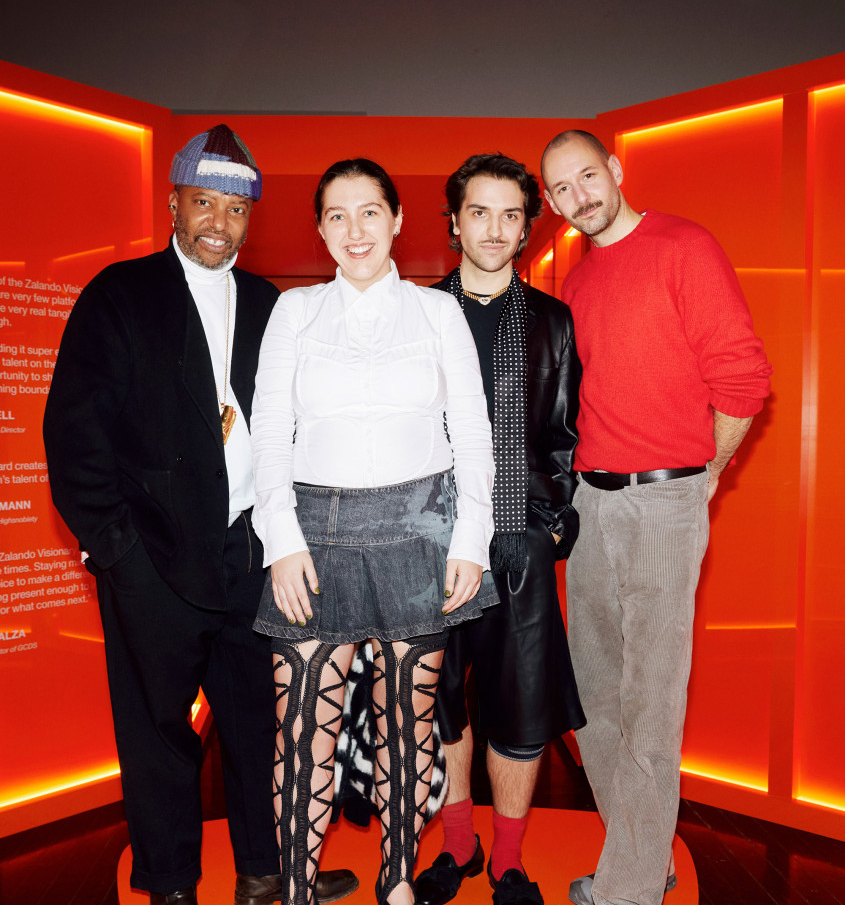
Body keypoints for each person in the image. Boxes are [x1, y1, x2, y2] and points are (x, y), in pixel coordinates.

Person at [43, 126, 357, 905]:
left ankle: (264, 875)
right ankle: (171, 885)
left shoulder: (268, 303)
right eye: (203, 203)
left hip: (249, 554)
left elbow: (298, 421)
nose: (218, 222)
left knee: (259, 727)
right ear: (175, 203)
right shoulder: (119, 294)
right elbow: (74, 434)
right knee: (157, 733)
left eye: (235, 209)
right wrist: (116, 550)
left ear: (252, 217)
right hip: (150, 559)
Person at [249, 157, 498, 905]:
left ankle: (396, 881)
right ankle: (296, 888)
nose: (353, 231)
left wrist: (470, 541)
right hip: (311, 535)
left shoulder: (436, 313)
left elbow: (473, 434)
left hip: (419, 530)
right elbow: (269, 431)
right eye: (336, 215)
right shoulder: (294, 313)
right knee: (303, 731)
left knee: (407, 723)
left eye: (368, 213)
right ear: (320, 228)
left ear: (394, 219)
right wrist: (280, 538)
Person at [540, 130, 773, 905]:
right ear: (551, 202)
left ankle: (631, 888)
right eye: (561, 189)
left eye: (586, 176)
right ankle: (643, 854)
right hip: (589, 507)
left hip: (662, 502)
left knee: (649, 703)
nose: (578, 196)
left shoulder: (683, 246)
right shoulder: (574, 283)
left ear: (613, 170)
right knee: (594, 699)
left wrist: (705, 475)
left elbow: (742, 380)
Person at [415, 153, 586, 905]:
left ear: (526, 227)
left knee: (518, 710)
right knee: (439, 704)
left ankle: (510, 861)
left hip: (519, 546)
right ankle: (458, 847)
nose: (494, 228)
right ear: (453, 223)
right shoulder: (413, 315)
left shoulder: (553, 321)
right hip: (427, 545)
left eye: (510, 214)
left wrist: (546, 530)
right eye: (478, 212)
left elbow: (565, 436)